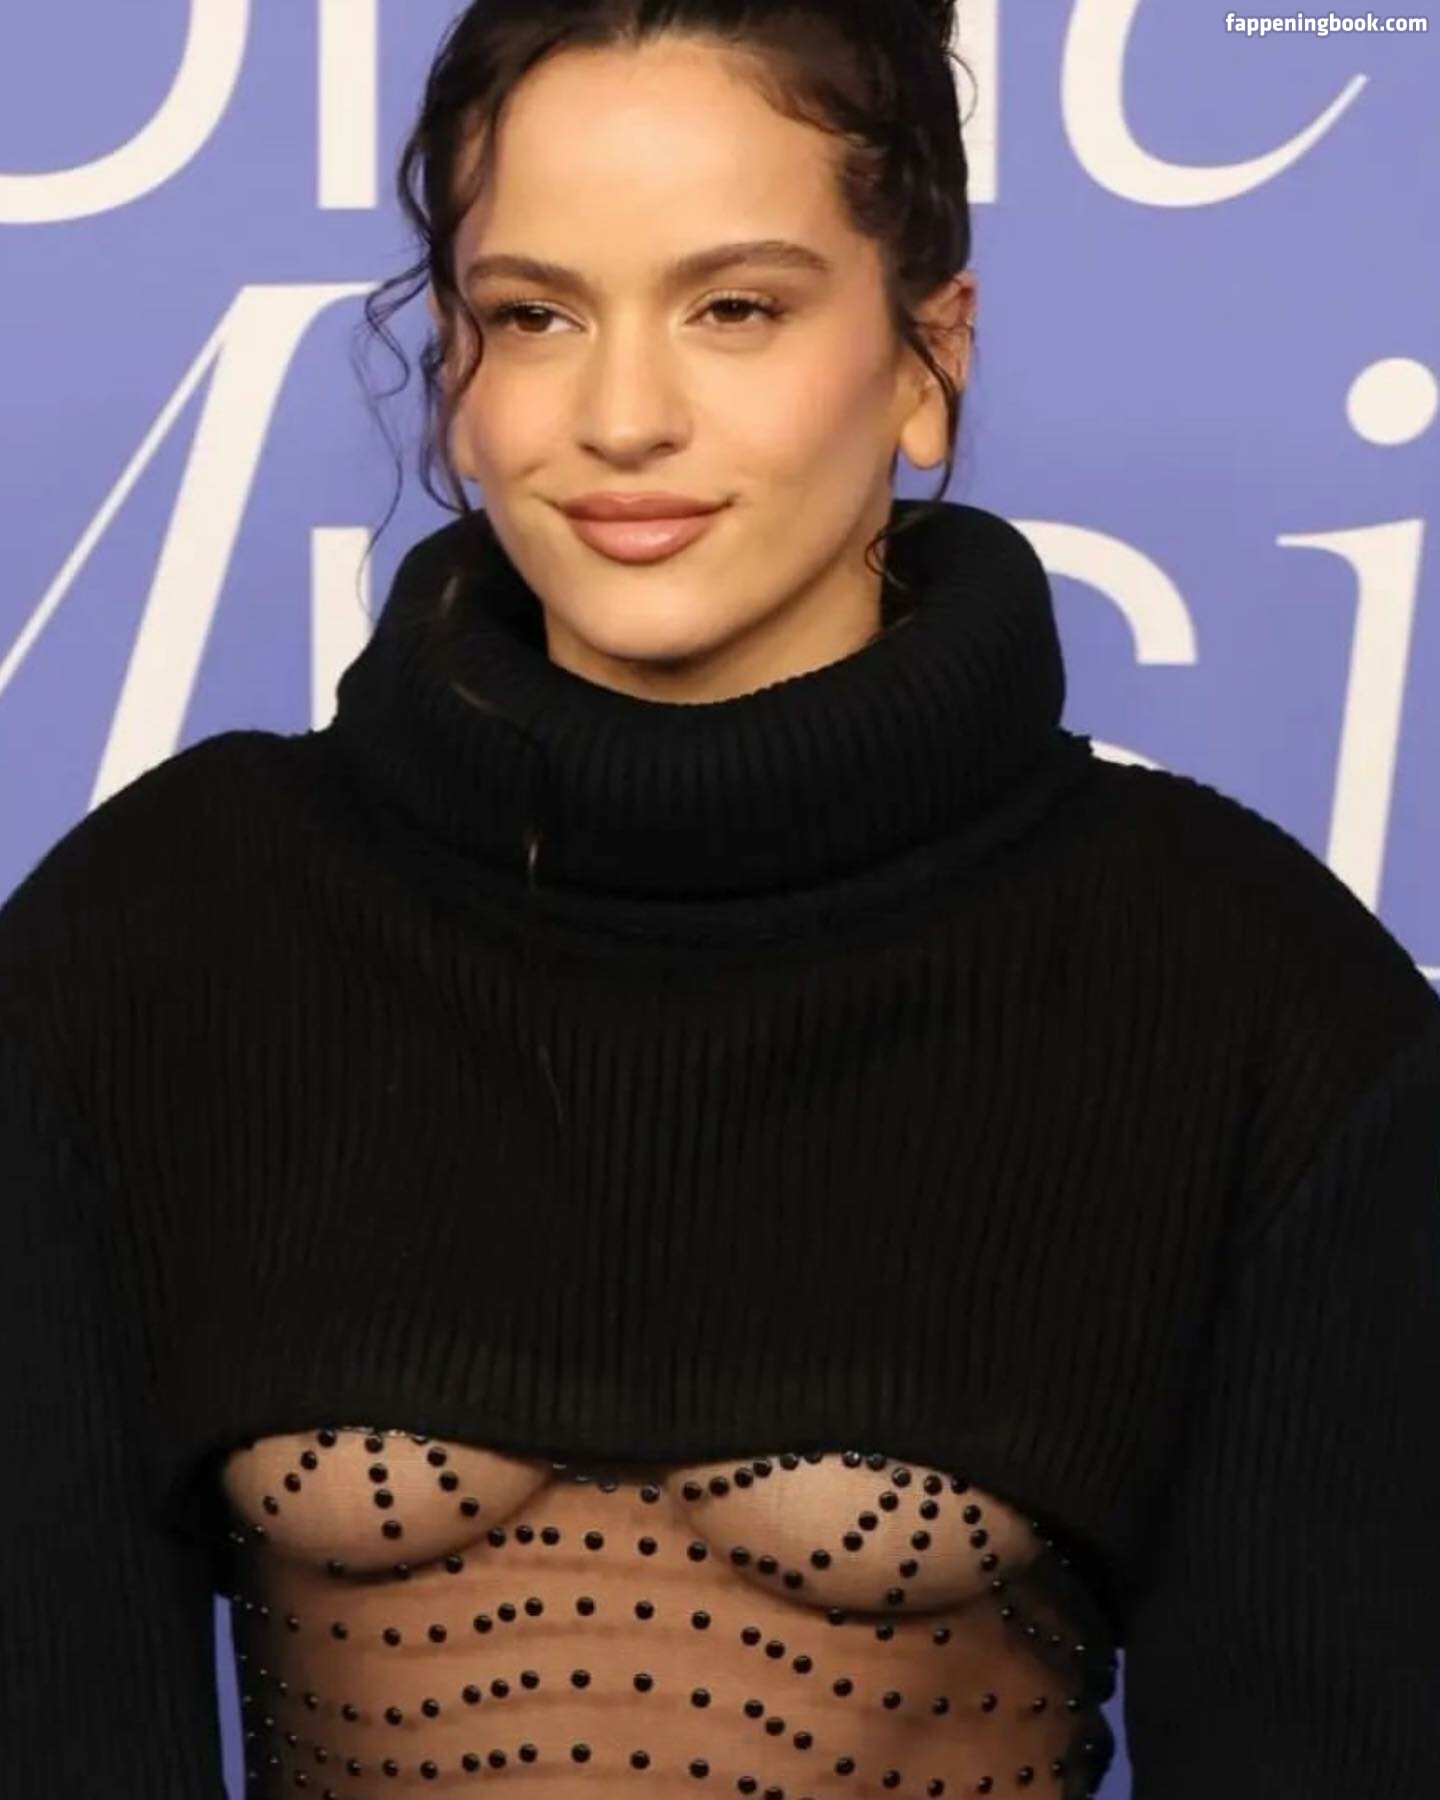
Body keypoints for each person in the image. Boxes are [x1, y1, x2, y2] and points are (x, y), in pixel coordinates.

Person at [2, 2, 1437, 1796]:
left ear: (927, 355)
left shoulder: (1244, 990)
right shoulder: (162, 933)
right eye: (536, 316)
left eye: (736, 308)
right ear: (456, 371)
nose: (622, 420)